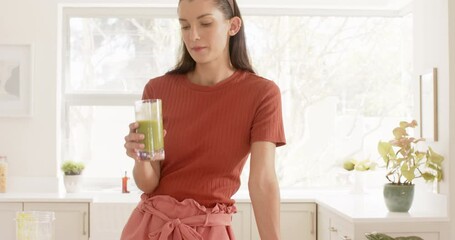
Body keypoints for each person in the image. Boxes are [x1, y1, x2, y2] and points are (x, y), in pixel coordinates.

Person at [121, 0, 286, 239]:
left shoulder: (262, 94)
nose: (193, 36)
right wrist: (139, 157)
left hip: (209, 230)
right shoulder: (157, 89)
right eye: (185, 26)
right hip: (150, 228)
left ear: (233, 25)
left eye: (206, 23)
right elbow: (148, 183)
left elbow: (262, 182)